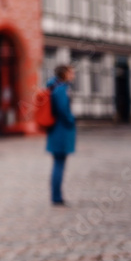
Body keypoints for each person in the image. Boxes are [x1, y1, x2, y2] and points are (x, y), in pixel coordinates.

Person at [46, 64, 76, 205]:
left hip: (55, 130)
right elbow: (64, 110)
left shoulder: (53, 87)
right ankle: (57, 197)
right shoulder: (61, 89)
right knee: (59, 164)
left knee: (58, 163)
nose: (73, 75)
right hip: (61, 130)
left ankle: (56, 195)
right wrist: (71, 120)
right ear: (65, 74)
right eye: (71, 72)